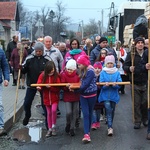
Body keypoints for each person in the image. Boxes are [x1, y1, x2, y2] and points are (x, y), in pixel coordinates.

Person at [20, 42, 52, 126]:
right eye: (36, 51)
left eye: (40, 51)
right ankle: (27, 115)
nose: (38, 53)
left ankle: (48, 122)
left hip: (43, 85)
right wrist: (21, 68)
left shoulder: (47, 59)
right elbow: (24, 70)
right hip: (32, 84)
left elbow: (52, 70)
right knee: (27, 103)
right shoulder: (29, 58)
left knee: (44, 104)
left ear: (42, 50)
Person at [70, 55, 97, 143]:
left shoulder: (90, 71)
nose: (78, 66)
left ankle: (87, 131)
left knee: (89, 113)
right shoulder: (82, 70)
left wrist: (75, 90)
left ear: (84, 64)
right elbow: (80, 82)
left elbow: (85, 84)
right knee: (85, 114)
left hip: (91, 95)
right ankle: (86, 134)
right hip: (83, 96)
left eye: (80, 64)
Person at [123, 37, 148, 129]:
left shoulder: (147, 53)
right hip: (135, 81)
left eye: (142, 42)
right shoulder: (131, 54)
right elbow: (125, 66)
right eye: (138, 43)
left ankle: (145, 119)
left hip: (145, 81)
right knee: (136, 103)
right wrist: (129, 68)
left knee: (145, 102)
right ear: (135, 44)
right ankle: (137, 120)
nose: (140, 44)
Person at [98, 55, 122, 136]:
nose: (110, 65)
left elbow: (120, 83)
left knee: (112, 110)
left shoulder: (117, 72)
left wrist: (116, 85)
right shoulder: (103, 72)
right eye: (108, 63)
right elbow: (101, 84)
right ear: (105, 64)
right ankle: (110, 127)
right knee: (108, 110)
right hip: (105, 95)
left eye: (111, 63)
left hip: (114, 95)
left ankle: (110, 123)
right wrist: (105, 85)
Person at [37, 61, 61, 137]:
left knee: (54, 110)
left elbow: (58, 88)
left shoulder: (56, 76)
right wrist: (39, 88)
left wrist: (50, 88)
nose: (52, 71)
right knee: (48, 113)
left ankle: (53, 126)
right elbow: (39, 84)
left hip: (54, 97)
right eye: (50, 70)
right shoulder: (42, 75)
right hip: (46, 98)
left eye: (53, 69)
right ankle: (49, 128)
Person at [60, 59, 80, 136]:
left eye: (71, 69)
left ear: (74, 69)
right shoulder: (64, 74)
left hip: (75, 95)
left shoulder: (77, 75)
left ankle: (72, 128)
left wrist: (75, 88)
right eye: (68, 69)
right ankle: (68, 123)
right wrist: (66, 87)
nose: (69, 71)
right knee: (69, 112)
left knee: (75, 112)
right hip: (67, 95)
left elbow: (80, 84)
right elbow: (62, 85)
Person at [0, 48, 10, 136]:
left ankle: (1, 126)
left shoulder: (0, 51)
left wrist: (6, 78)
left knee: (0, 105)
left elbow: (5, 66)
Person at [91, 62, 103, 130]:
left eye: (99, 68)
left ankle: (98, 121)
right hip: (93, 94)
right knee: (93, 109)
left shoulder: (102, 76)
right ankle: (94, 122)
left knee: (98, 109)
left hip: (99, 95)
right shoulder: (92, 75)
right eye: (95, 68)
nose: (97, 70)